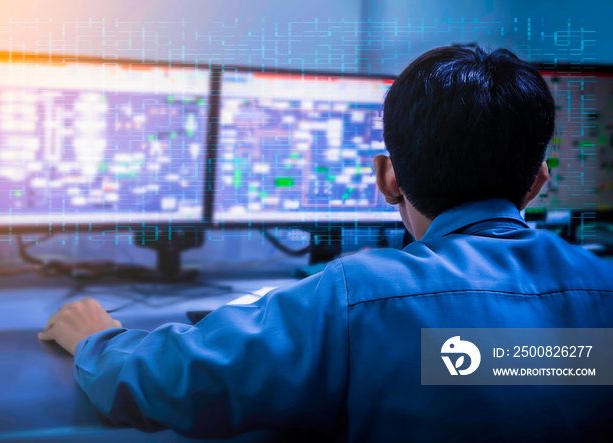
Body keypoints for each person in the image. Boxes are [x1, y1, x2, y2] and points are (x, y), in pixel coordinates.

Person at [39, 45, 613, 441]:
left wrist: (97, 343)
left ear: (386, 178)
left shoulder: (360, 296)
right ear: (539, 181)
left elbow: (178, 382)